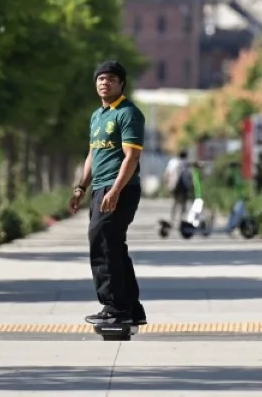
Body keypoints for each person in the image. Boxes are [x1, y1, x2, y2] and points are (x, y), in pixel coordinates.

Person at [68, 60, 147, 326]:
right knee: (113, 244)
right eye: (100, 78)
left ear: (121, 83)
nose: (105, 82)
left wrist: (115, 190)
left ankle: (114, 306)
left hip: (120, 188)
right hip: (101, 187)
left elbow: (132, 156)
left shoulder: (128, 113)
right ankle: (131, 307)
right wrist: (81, 187)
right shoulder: (97, 116)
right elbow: (93, 153)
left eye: (111, 78)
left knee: (101, 241)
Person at [165, 151, 190, 223]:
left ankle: (172, 217)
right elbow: (189, 175)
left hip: (174, 185)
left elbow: (167, 173)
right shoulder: (186, 163)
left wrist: (167, 184)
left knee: (175, 201)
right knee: (183, 202)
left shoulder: (172, 162)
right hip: (184, 185)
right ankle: (181, 218)